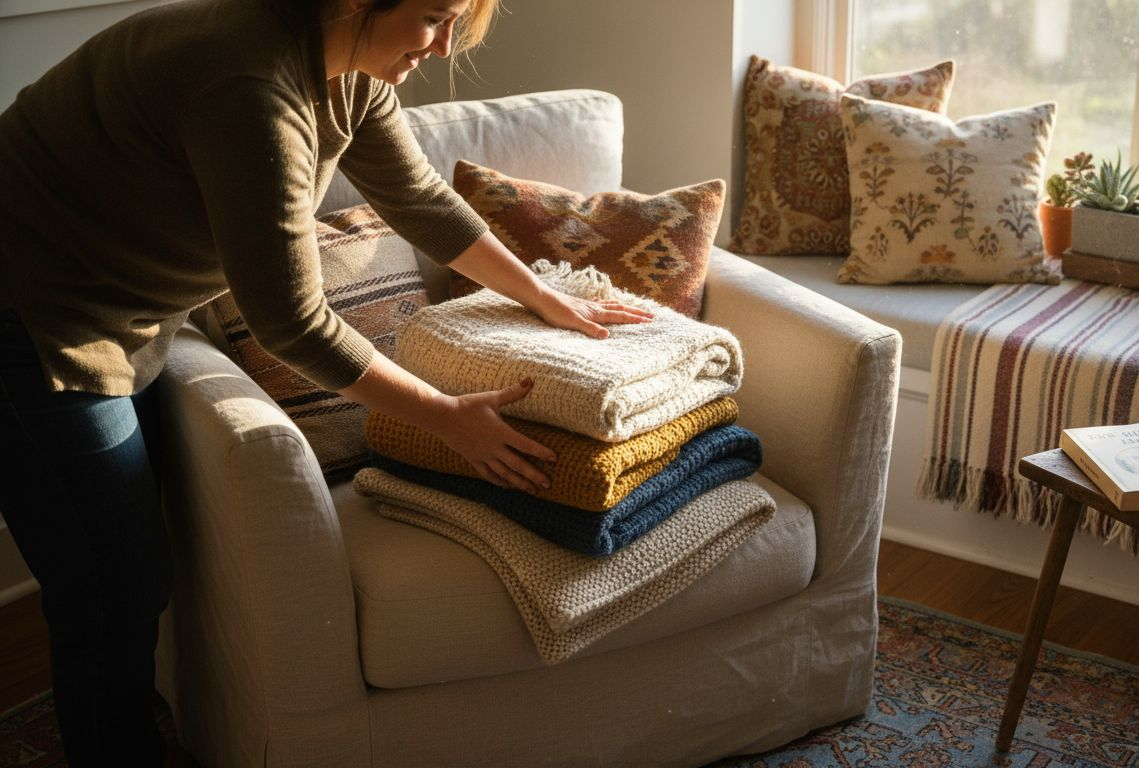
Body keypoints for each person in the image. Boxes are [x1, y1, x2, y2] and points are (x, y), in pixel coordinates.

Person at [0, 0, 652, 762]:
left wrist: (544, 293)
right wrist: (443, 416)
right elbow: (293, 320)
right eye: (435, 19)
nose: (443, 49)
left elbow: (417, 197)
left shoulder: (347, 66)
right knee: (112, 583)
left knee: (128, 568)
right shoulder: (249, 85)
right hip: (35, 312)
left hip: (118, 309)